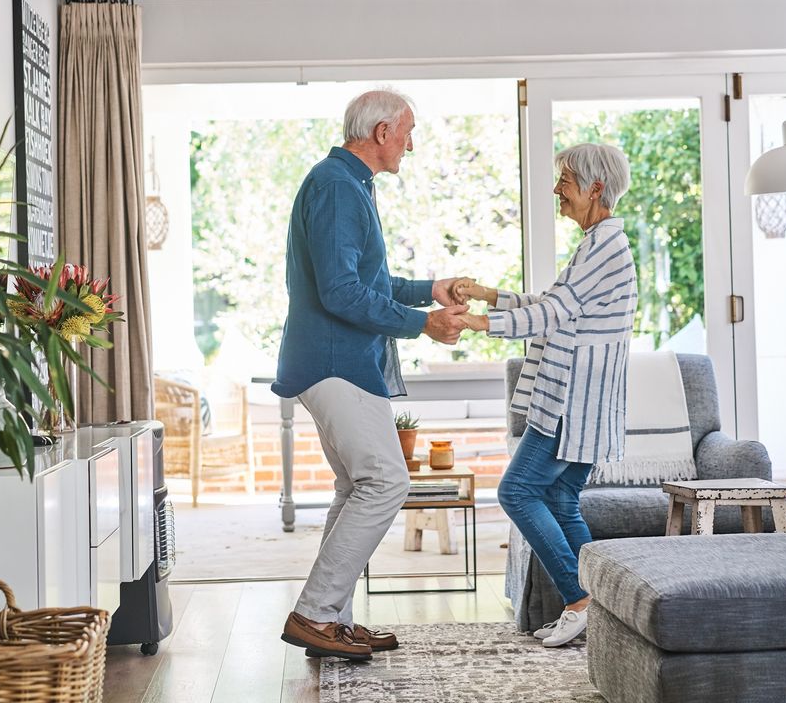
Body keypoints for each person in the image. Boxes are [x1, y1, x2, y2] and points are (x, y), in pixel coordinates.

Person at [272, 89, 472, 661]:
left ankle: (330, 622)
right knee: (386, 481)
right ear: (382, 132)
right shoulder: (337, 187)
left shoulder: (348, 183)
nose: (411, 142)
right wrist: (422, 324)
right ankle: (314, 613)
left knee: (355, 486)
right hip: (335, 361)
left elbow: (366, 280)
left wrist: (427, 291)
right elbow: (341, 292)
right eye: (408, 131)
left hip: (337, 361)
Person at [458, 142, 636, 648]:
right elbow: (554, 303)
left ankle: (578, 601)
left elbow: (549, 315)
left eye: (566, 180)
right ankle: (603, 605)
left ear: (595, 188)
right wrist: (489, 295)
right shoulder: (598, 244)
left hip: (571, 400)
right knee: (560, 496)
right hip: (586, 403)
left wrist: (475, 322)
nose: (558, 190)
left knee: (516, 491)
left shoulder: (604, 246)